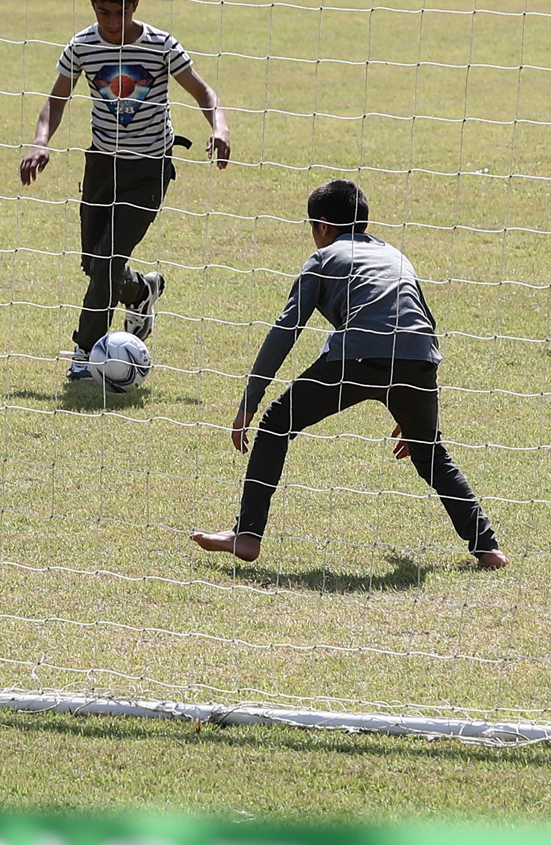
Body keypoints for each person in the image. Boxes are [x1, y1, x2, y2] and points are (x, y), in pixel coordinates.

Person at [190, 181, 508, 569]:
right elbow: (425, 322)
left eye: (311, 227)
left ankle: (247, 534)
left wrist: (248, 402)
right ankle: (488, 548)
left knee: (276, 423)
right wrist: (411, 412)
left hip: (358, 356)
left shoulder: (323, 259)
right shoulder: (396, 256)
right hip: (421, 358)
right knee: (430, 452)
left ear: (322, 225)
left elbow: (285, 331)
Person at [19, 0, 231, 382]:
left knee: (106, 261)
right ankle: (141, 291)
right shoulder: (82, 46)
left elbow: (203, 91)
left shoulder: (161, 46)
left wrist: (219, 127)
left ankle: (83, 354)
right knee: (96, 265)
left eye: (120, 13)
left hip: (148, 171)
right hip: (101, 167)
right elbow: (56, 100)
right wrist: (40, 141)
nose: (112, 24)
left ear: (134, 6)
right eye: (103, 14)